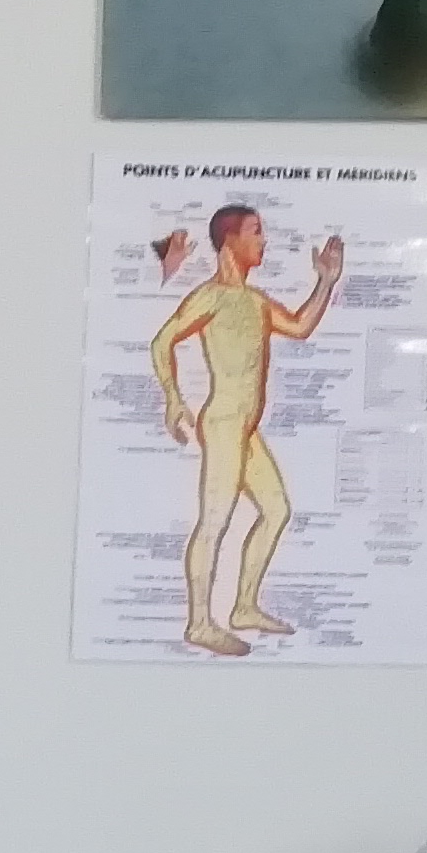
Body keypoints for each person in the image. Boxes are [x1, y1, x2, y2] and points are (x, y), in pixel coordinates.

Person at [148, 204, 343, 658]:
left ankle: (244, 607)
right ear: (230, 241)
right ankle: (199, 623)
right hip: (222, 424)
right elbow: (162, 341)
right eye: (256, 232)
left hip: (246, 428)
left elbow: (300, 326)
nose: (263, 241)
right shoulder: (210, 296)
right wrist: (173, 397)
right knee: (214, 521)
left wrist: (326, 281)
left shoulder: (256, 301)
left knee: (276, 510)